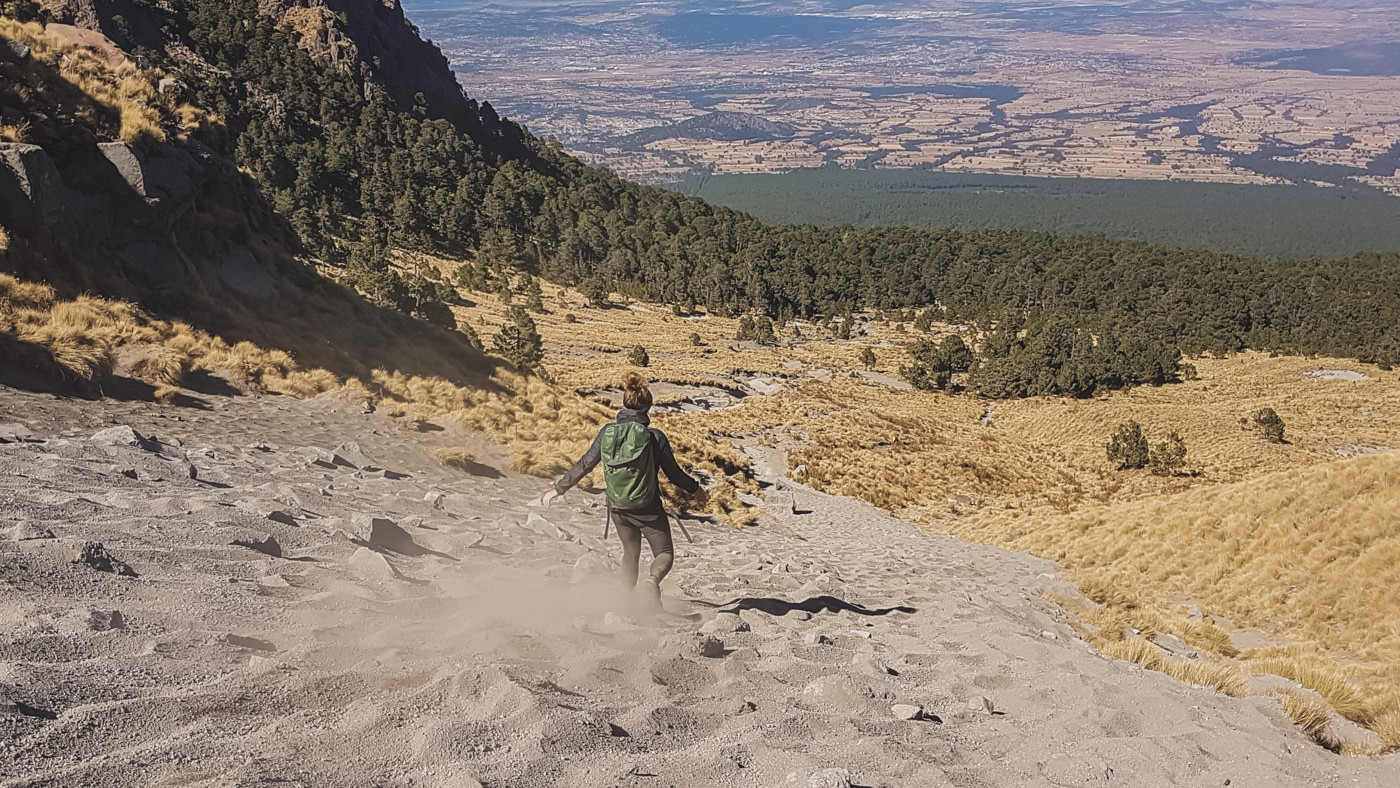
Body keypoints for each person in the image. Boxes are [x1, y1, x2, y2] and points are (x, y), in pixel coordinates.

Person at [539, 373, 707, 608]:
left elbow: (586, 463)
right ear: (648, 407)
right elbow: (674, 474)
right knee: (664, 553)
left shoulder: (607, 433)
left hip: (618, 507)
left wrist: (558, 489)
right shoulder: (654, 437)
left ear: (624, 404)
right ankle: (651, 582)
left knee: (630, 553)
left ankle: (626, 602)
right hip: (648, 507)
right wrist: (696, 489)